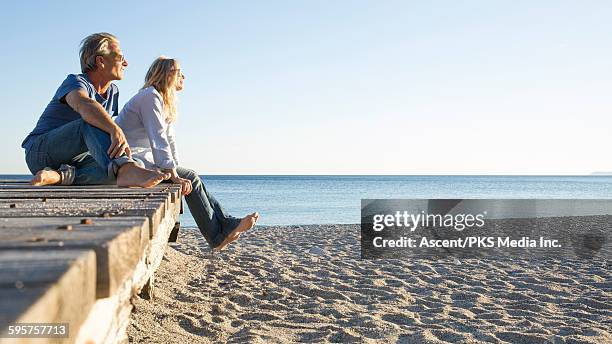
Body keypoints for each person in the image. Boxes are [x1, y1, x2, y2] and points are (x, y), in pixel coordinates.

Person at [115, 56, 258, 251]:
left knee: (189, 176)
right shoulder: (150, 97)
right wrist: (174, 175)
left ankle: (224, 227)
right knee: (190, 176)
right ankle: (218, 234)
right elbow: (158, 139)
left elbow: (170, 142)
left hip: (145, 159)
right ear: (167, 74)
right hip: (131, 162)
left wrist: (176, 172)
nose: (183, 76)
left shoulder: (163, 101)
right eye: (179, 71)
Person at [22, 33, 170, 187]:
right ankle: (126, 170)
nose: (125, 63)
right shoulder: (75, 82)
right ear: (101, 61)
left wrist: (123, 157)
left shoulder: (113, 91)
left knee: (133, 164)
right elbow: (83, 105)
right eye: (120, 57)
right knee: (92, 122)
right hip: (40, 153)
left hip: (76, 159)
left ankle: (59, 176)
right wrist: (114, 129)